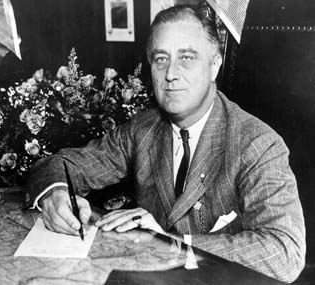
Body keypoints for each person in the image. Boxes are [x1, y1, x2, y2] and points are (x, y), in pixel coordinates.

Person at [28, 5, 305, 283]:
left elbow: (285, 251)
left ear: (214, 66)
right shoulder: (143, 129)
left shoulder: (257, 144)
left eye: (186, 57)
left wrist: (170, 241)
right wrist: (55, 194)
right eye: (161, 59)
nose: (170, 73)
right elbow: (62, 165)